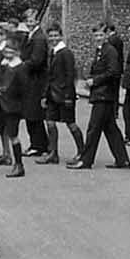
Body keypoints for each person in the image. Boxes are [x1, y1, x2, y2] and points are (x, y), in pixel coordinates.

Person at [71, 22, 130, 170]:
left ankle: (86, 160)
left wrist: (94, 81)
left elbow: (114, 71)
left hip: (105, 95)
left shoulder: (110, 51)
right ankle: (122, 160)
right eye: (96, 35)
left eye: (100, 35)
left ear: (106, 35)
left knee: (93, 128)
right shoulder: (100, 50)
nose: (98, 38)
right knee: (110, 129)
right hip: (101, 94)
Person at [42, 24, 79, 165]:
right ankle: (53, 153)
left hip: (64, 95)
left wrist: (69, 96)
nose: (53, 38)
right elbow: (49, 76)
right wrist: (45, 95)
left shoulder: (66, 53)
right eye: (50, 36)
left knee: (70, 123)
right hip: (52, 94)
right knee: (50, 122)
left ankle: (81, 152)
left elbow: (71, 75)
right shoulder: (53, 52)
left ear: (61, 36)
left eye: (55, 35)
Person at [0, 38, 29, 178]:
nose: (7, 53)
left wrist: (1, 89)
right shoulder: (4, 65)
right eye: (6, 50)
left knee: (13, 136)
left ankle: (19, 165)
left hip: (12, 106)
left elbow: (22, 89)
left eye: (11, 51)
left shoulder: (20, 68)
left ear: (17, 52)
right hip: (1, 104)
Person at [20, 8, 51, 158]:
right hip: (29, 80)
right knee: (30, 113)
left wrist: (21, 65)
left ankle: (39, 145)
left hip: (36, 80)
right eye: (27, 20)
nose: (29, 23)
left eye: (32, 20)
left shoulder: (39, 38)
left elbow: (37, 61)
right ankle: (38, 144)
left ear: (37, 21)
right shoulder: (30, 36)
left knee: (34, 114)